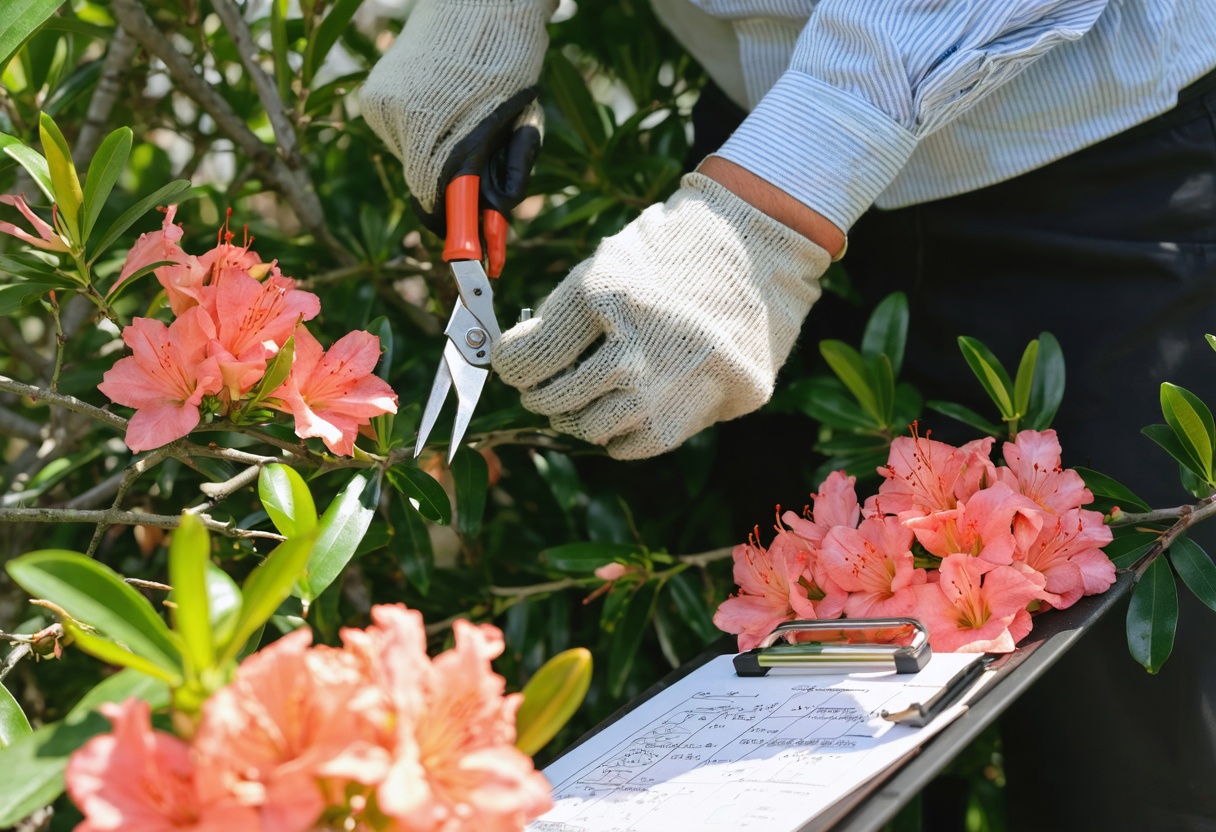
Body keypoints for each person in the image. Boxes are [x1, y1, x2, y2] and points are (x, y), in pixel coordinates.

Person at [360, 2, 1216, 829]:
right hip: (748, 148)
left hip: (1085, 151)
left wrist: (777, 200)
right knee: (790, 754)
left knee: (1125, 777)